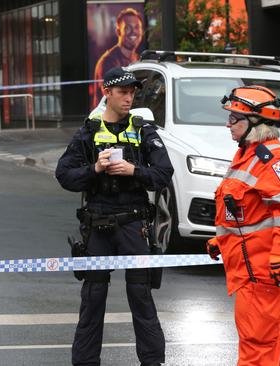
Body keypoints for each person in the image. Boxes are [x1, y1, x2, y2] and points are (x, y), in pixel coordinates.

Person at [56, 66, 173, 366]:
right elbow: (64, 175)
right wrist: (94, 169)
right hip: (98, 225)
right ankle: (85, 362)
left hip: (134, 224)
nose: (129, 98)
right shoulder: (89, 132)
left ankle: (152, 361)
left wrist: (134, 171)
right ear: (106, 92)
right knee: (93, 298)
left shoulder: (143, 129)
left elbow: (163, 173)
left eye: (133, 92)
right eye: (123, 92)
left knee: (141, 297)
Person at [207, 85, 280, 365]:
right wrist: (223, 240)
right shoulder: (251, 153)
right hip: (265, 264)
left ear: (256, 123)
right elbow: (251, 211)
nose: (228, 124)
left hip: (264, 268)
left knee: (257, 346)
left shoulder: (270, 158)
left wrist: (279, 255)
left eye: (234, 118)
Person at [92, 8, 143, 108]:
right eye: (128, 28)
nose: (134, 32)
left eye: (137, 27)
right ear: (118, 32)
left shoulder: (138, 59)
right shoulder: (108, 61)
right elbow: (114, 100)